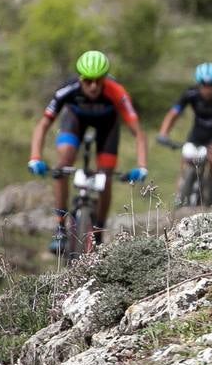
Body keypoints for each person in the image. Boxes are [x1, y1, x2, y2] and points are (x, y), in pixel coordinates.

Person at [28, 50, 149, 253]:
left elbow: (138, 132)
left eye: (98, 81)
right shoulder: (67, 90)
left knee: (106, 174)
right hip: (75, 121)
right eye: (88, 81)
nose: (93, 86)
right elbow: (42, 126)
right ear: (80, 79)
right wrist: (35, 157)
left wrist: (142, 166)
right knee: (63, 163)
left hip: (107, 126)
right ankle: (60, 227)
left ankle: (98, 232)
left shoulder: (117, 92)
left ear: (104, 79)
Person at [156, 62, 212, 206]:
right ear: (198, 83)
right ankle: (180, 194)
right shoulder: (190, 93)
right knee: (185, 158)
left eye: (211, 84)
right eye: (204, 84)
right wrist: (163, 133)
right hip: (198, 133)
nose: (207, 89)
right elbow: (173, 114)